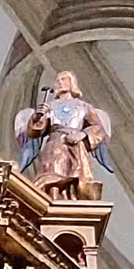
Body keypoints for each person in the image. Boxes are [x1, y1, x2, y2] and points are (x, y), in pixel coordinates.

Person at [16, 72, 113, 202]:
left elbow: (98, 128)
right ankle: (53, 200)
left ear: (72, 83)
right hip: (55, 144)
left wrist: (82, 134)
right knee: (53, 172)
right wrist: (37, 117)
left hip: (76, 145)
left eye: (64, 79)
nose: (60, 82)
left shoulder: (84, 106)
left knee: (76, 175)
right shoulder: (50, 106)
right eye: (58, 80)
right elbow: (36, 131)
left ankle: (72, 200)